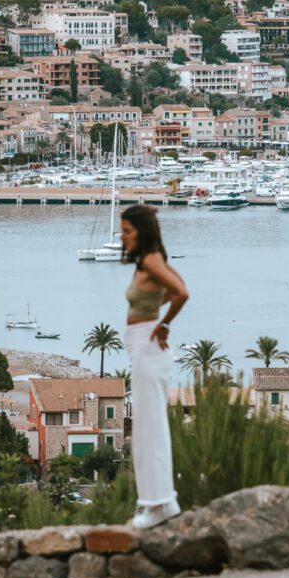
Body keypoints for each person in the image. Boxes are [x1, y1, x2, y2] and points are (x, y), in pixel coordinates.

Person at [120, 204, 189, 529]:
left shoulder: (150, 260)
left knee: (148, 429)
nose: (123, 237)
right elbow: (173, 289)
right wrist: (154, 310)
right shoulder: (153, 260)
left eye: (128, 231)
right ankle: (165, 501)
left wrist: (162, 326)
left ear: (142, 232)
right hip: (143, 346)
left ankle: (156, 504)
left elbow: (182, 292)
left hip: (148, 348)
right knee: (152, 427)